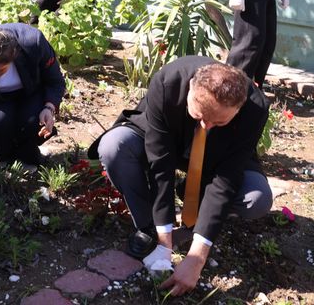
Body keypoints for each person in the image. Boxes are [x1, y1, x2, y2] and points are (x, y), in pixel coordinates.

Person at [88, 58, 272, 297]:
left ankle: (197, 220)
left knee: (257, 199)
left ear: (238, 108)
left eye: (219, 121)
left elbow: (227, 177)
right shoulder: (168, 82)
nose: (206, 126)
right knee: (114, 146)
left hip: (218, 158)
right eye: (199, 116)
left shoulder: (255, 109)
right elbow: (160, 165)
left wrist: (197, 258)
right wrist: (164, 245)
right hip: (166, 140)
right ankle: (148, 228)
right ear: (190, 91)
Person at [0, 24, 66, 198]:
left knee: (32, 122)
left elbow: (55, 81)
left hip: (31, 94)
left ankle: (27, 152)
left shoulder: (33, 43)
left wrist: (49, 107)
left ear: (14, 57)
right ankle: (0, 151)